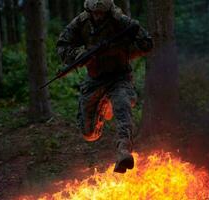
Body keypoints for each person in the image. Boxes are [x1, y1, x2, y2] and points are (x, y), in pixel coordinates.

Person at [56, 0, 153, 173]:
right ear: (89, 10)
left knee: (122, 105)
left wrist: (120, 50)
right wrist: (81, 55)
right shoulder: (80, 22)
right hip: (94, 81)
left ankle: (123, 149)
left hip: (119, 77)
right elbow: (62, 47)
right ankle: (104, 105)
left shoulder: (119, 20)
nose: (99, 16)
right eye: (96, 13)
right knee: (89, 134)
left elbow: (146, 44)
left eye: (103, 13)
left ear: (109, 11)